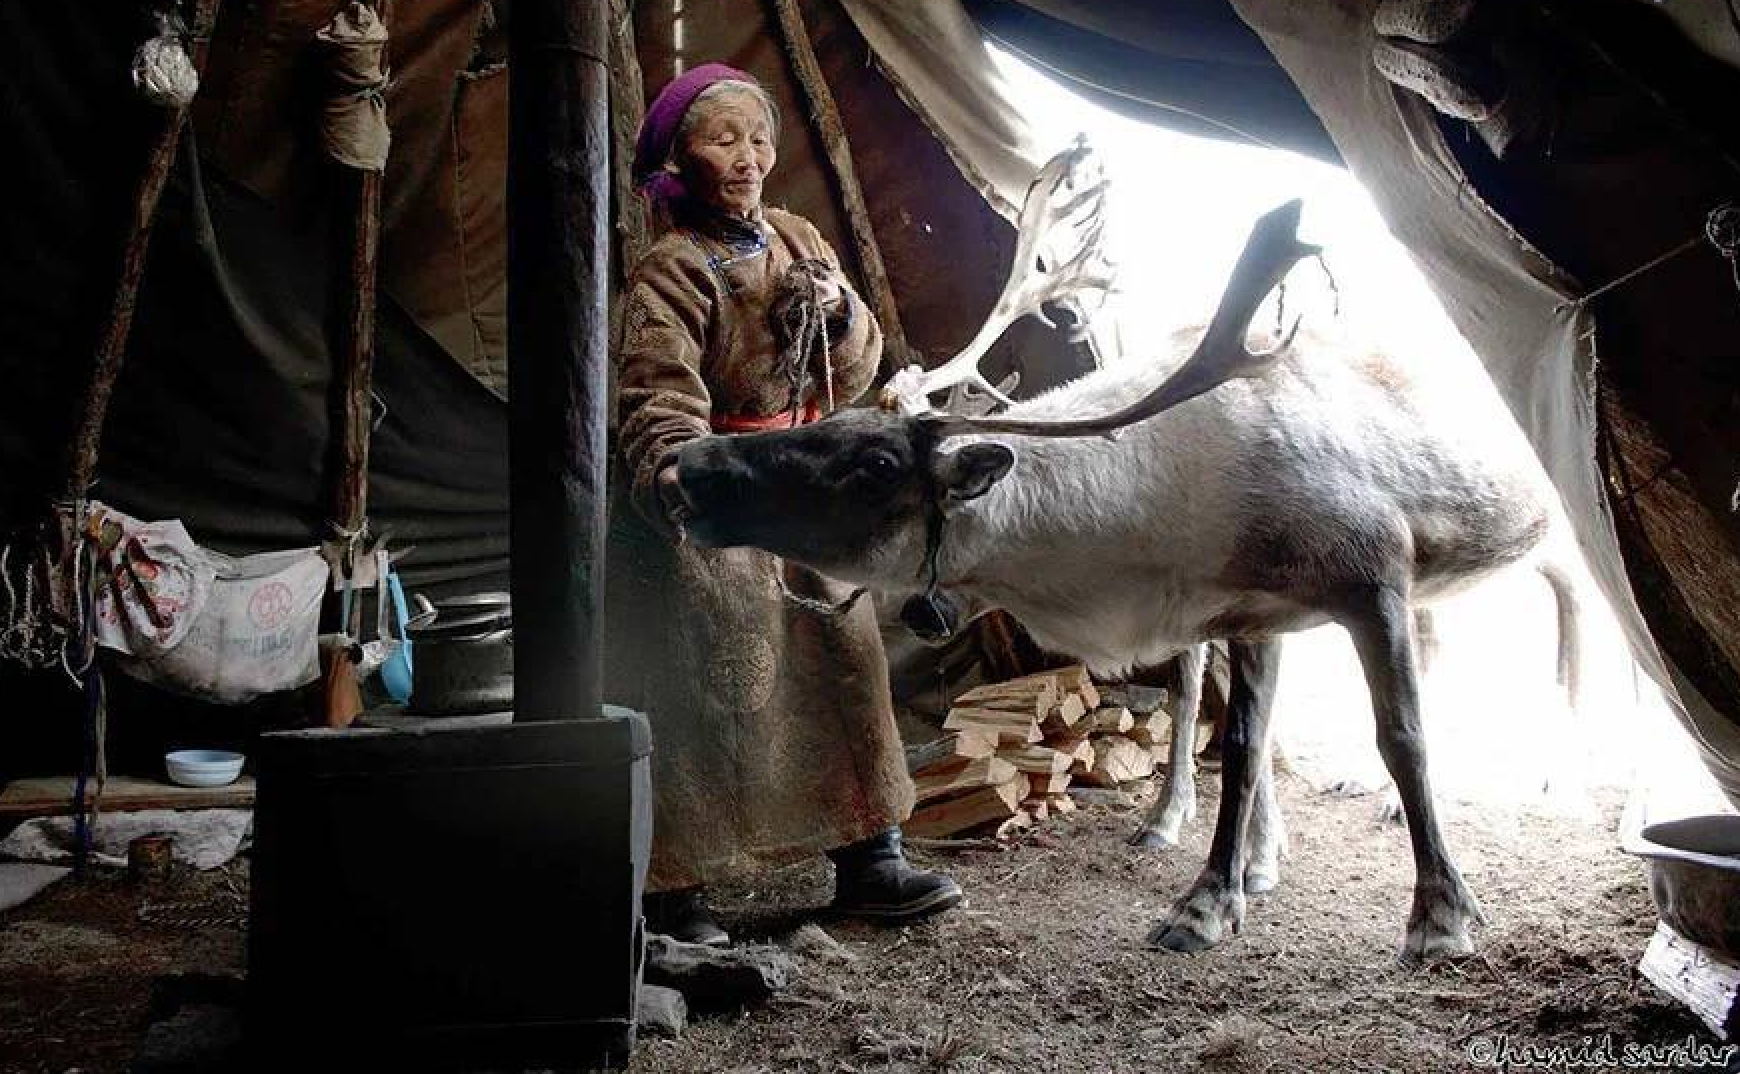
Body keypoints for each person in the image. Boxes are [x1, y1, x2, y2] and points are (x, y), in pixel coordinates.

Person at [605, 63, 961, 946]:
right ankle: (678, 890)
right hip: (727, 493)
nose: (747, 157)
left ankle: (869, 855)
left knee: (845, 664)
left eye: (757, 138)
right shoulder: (670, 270)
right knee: (708, 686)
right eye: (722, 139)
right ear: (679, 157)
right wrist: (681, 476)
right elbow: (655, 390)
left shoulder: (801, 239)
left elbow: (857, 372)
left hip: (810, 489)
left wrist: (841, 315)